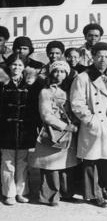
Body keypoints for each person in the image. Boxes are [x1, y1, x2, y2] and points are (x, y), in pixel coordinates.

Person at [70, 42, 107, 208]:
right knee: (92, 160)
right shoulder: (83, 77)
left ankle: (102, 189)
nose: (102, 59)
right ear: (93, 57)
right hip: (95, 125)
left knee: (106, 160)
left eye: (106, 56)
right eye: (99, 56)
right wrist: (91, 120)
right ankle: (94, 194)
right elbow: (76, 103)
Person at [31, 60, 79, 206]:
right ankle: (49, 196)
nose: (59, 74)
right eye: (56, 71)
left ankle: (67, 193)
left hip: (68, 133)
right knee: (50, 166)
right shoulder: (45, 91)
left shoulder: (69, 90)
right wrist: (66, 126)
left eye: (63, 71)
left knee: (67, 164)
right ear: (51, 73)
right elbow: (46, 115)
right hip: (52, 132)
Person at [0, 55, 39, 205]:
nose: (16, 68)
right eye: (14, 65)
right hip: (5, 128)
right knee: (8, 162)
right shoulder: (2, 82)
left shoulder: (31, 83)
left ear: (24, 67)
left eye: (20, 65)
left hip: (25, 128)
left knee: (22, 162)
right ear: (9, 67)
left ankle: (21, 192)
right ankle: (9, 193)